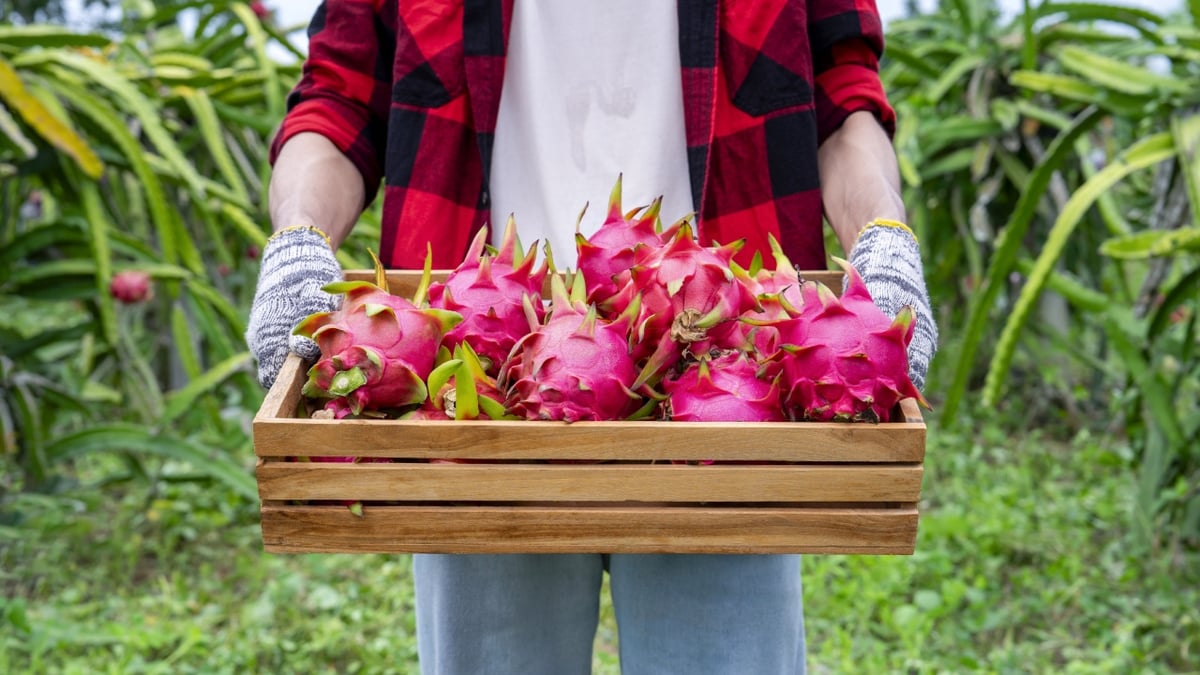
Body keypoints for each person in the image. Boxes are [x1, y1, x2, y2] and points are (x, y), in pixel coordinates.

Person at [247, 1, 937, 673]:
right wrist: (299, 236)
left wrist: (883, 230)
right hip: (484, 388)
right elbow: (338, 100)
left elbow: (842, 99)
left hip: (724, 381)